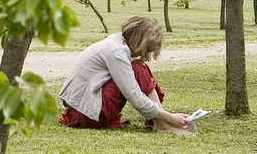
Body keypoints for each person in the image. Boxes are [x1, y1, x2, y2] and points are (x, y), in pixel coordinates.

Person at [57, 16, 193, 134]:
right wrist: (170, 117)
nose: (144, 55)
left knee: (139, 67)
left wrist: (166, 116)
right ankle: (162, 124)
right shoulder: (116, 52)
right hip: (83, 116)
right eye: (146, 50)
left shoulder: (117, 42)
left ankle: (161, 122)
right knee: (138, 68)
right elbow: (134, 96)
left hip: (82, 111)